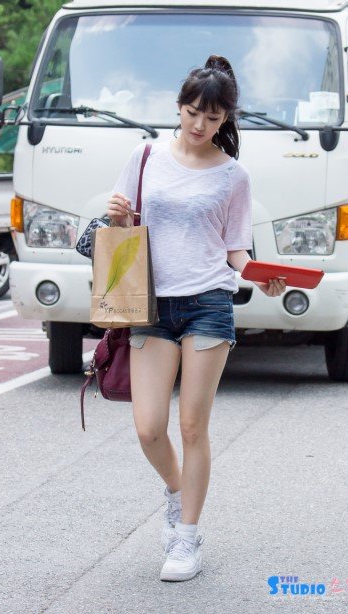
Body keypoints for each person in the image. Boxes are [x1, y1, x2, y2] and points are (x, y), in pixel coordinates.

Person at [107, 54, 286, 582]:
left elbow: (236, 251)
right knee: (148, 428)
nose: (200, 125)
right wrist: (118, 217)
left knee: (191, 425)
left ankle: (186, 536)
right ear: (179, 107)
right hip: (152, 305)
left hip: (208, 301)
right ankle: (177, 491)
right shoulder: (145, 157)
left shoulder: (233, 176)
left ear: (226, 118)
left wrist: (260, 276)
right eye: (192, 113)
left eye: (212, 117)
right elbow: (119, 231)